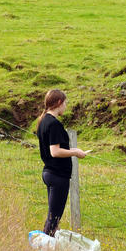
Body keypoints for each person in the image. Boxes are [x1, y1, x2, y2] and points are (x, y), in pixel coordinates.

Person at [35, 89, 88, 236]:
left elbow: (56, 149)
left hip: (49, 172)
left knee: (52, 217)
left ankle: (47, 249)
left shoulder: (43, 120)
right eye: (65, 103)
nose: (66, 106)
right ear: (59, 103)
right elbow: (55, 151)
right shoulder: (54, 124)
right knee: (54, 219)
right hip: (58, 176)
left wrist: (72, 149)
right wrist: (75, 152)